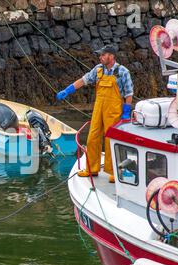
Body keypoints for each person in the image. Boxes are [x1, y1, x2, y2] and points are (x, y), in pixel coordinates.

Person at [56, 44, 134, 183]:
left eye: (103, 55)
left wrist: (126, 112)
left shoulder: (122, 71)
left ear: (111, 56)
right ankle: (92, 169)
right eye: (100, 55)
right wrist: (67, 90)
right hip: (98, 110)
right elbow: (83, 80)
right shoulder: (98, 70)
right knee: (92, 138)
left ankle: (113, 171)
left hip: (114, 111)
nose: (100, 57)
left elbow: (128, 94)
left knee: (111, 139)